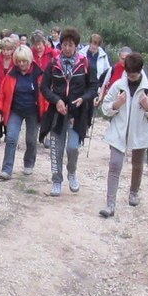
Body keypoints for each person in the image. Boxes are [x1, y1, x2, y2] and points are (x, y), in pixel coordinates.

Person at [98, 52, 148, 217]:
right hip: (118, 132)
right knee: (114, 165)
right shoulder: (118, 85)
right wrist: (116, 104)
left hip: (140, 132)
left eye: (134, 75)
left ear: (141, 70)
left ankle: (133, 192)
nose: (131, 78)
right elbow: (105, 108)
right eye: (129, 74)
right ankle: (110, 205)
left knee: (137, 164)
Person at [41, 27, 97, 197]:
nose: (67, 48)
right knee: (56, 148)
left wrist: (84, 98)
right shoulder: (53, 63)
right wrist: (56, 100)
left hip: (77, 113)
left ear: (76, 46)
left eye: (70, 45)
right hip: (57, 112)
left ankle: (71, 172)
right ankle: (57, 180)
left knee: (72, 147)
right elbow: (43, 87)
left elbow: (93, 87)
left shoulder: (85, 63)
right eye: (64, 44)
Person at [0, 46, 48, 180]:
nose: (21, 64)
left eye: (24, 61)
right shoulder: (11, 74)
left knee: (31, 140)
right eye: (18, 61)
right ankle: (6, 169)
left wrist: (46, 113)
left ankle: (29, 163)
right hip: (15, 111)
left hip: (33, 112)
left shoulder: (39, 75)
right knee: (11, 138)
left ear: (29, 60)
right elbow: (2, 94)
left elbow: (45, 95)